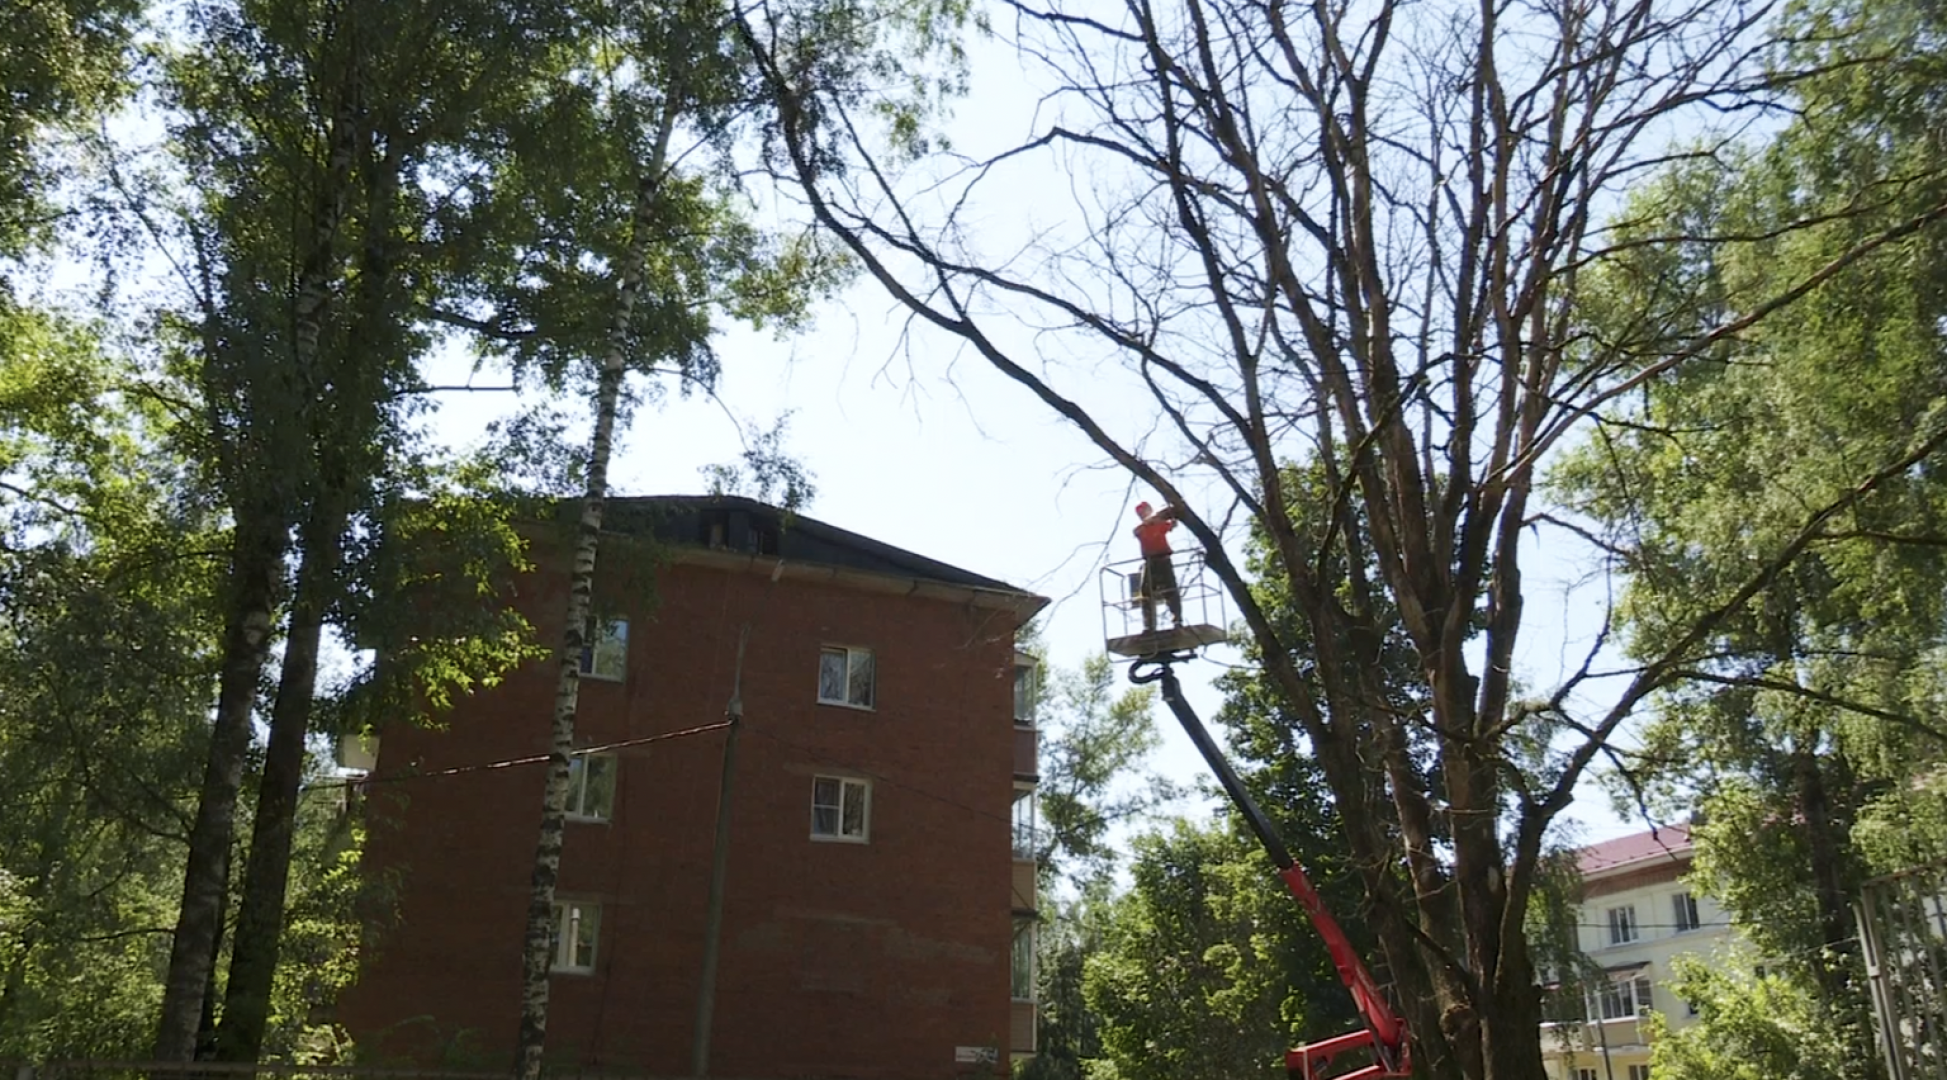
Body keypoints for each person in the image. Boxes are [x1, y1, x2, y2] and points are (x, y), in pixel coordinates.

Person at [1133, 500, 1183, 633]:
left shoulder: (1160, 524)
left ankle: (1177, 619)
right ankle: (1149, 625)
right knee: (1146, 593)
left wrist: (1171, 519)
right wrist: (1155, 519)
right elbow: (1139, 530)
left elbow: (1171, 525)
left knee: (1171, 589)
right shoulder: (1141, 529)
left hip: (1164, 560)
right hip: (1150, 562)